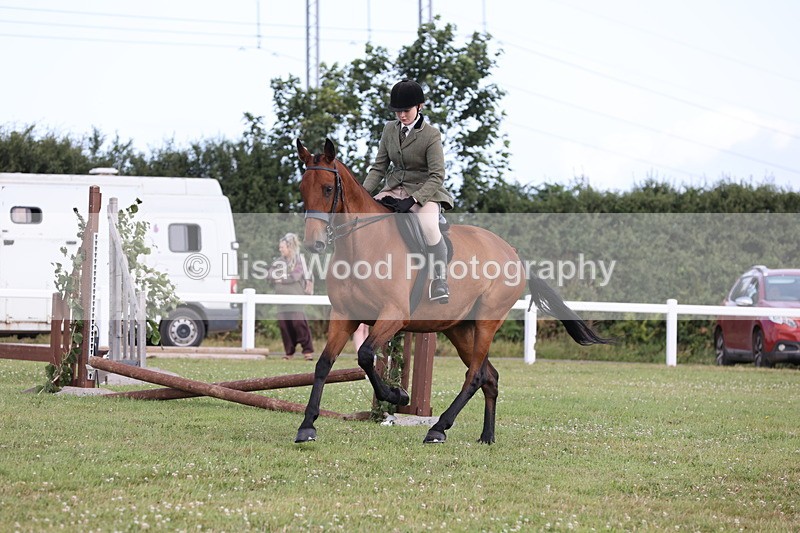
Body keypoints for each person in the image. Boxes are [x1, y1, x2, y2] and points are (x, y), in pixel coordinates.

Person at [362, 78, 455, 303]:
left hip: (426, 191)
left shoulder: (431, 135)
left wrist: (415, 199)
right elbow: (379, 167)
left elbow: (437, 175)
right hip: (394, 189)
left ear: (419, 107)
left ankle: (439, 281)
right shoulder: (389, 130)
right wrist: (363, 194)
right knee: (366, 217)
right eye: (398, 111)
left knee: (429, 227)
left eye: (406, 110)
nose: (402, 116)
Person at [268, 233, 315, 361]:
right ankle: (289, 352)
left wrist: (280, 278)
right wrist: (281, 277)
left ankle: (307, 351)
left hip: (295, 298)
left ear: (289, 247)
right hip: (281, 299)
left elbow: (294, 276)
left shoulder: (299, 260)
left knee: (298, 323)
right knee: (284, 325)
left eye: (282, 247)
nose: (280, 249)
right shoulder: (278, 261)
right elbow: (270, 275)